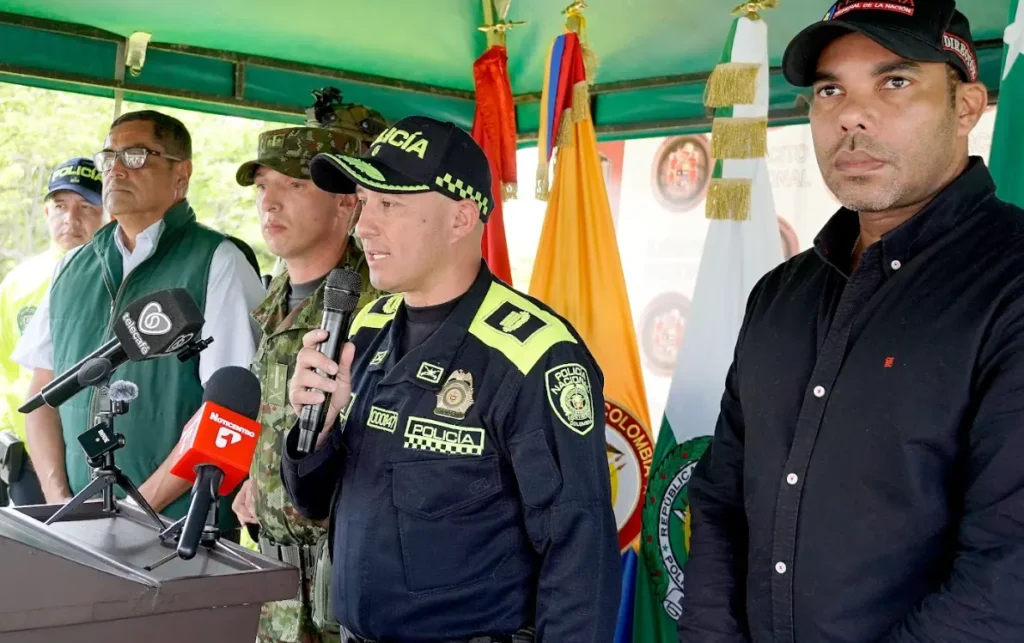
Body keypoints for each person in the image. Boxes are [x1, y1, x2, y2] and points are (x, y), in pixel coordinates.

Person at [679, 2, 1024, 642]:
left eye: (895, 82)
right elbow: (721, 501)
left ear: (968, 107)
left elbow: (1008, 574)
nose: (851, 116)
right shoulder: (779, 295)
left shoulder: (1011, 284)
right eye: (830, 91)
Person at [280, 115, 621, 643]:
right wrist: (316, 432)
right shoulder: (364, 328)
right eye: (364, 203)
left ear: (461, 218)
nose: (364, 226)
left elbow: (579, 556)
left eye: (389, 205)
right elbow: (315, 504)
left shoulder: (533, 356)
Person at [12, 110, 265, 533]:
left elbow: (227, 416)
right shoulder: (72, 266)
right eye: (109, 157)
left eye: (136, 156)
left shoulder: (218, 261)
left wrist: (135, 512)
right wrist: (60, 504)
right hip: (75, 527)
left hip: (178, 531)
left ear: (181, 174)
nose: (115, 170)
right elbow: (42, 394)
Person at [231, 100, 388, 643]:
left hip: (343, 590)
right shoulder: (278, 292)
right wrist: (257, 480)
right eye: (262, 186)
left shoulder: (375, 307)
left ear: (348, 202)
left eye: (294, 185)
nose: (269, 202)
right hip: (274, 584)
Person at [0, 157, 105, 505]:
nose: (70, 219)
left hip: (94, 456)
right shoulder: (18, 282)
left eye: (85, 207)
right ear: (46, 213)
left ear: (107, 213)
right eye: (60, 206)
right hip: (28, 459)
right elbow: (6, 367)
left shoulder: (116, 277)